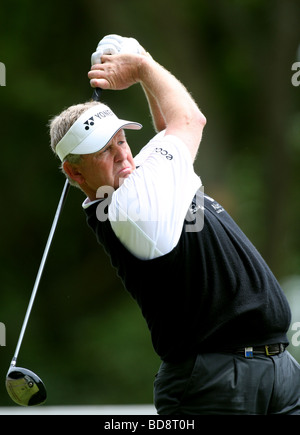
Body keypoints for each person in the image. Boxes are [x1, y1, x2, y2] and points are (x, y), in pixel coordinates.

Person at [49, 35, 300, 414]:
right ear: (74, 172)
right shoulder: (129, 206)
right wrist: (143, 69)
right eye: (104, 150)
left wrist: (143, 61)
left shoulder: (136, 181)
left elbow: (167, 125)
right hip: (216, 383)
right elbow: (189, 119)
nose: (122, 155)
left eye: (121, 140)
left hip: (275, 370)